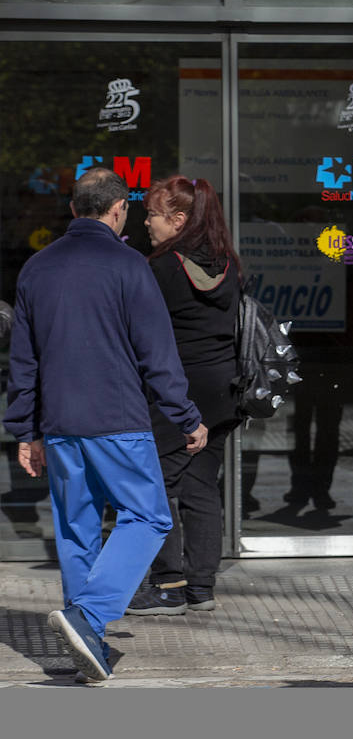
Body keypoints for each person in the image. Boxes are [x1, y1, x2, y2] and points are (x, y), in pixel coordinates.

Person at [3, 167, 208, 683]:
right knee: (150, 517)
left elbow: (22, 362)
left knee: (77, 531)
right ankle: (88, 617)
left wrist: (25, 431)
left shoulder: (36, 269)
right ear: (118, 211)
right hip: (117, 420)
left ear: (74, 210)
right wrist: (186, 416)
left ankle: (85, 642)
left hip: (60, 424)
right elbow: (157, 354)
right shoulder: (129, 264)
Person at [124, 176, 241, 616]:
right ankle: (201, 588)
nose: (146, 223)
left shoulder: (163, 267)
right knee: (200, 484)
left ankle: (169, 584)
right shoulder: (227, 264)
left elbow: (143, 334)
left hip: (177, 394)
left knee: (153, 483)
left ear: (177, 219)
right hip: (223, 390)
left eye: (152, 214)